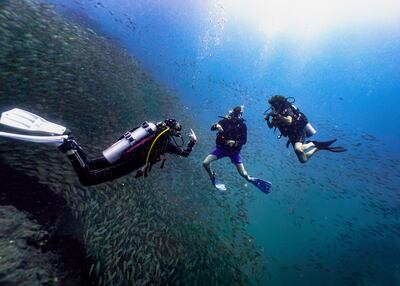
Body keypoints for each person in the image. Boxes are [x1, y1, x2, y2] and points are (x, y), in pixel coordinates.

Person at [0, 108, 197, 186]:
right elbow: (186, 153)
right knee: (88, 178)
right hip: (122, 165)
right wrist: (192, 142)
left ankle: (72, 145)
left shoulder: (151, 132)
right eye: (177, 132)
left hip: (117, 153)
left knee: (89, 163)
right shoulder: (166, 143)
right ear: (173, 132)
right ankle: (67, 145)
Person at [203, 106, 271, 193]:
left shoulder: (243, 126)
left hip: (234, 152)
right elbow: (212, 128)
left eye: (238, 115)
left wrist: (234, 143)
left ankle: (250, 178)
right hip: (221, 148)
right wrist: (217, 126)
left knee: (243, 173)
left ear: (240, 115)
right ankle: (212, 177)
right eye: (235, 114)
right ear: (232, 113)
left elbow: (244, 140)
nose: (236, 117)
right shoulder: (224, 121)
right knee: (205, 163)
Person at [264, 95, 346, 163]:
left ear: (277, 104)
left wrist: (278, 115)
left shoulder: (286, 108)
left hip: (299, 129)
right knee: (303, 160)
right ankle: (317, 147)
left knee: (298, 148)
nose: (271, 107)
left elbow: (289, 121)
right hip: (291, 134)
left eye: (272, 105)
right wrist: (267, 119)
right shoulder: (275, 114)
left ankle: (313, 143)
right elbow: (271, 126)